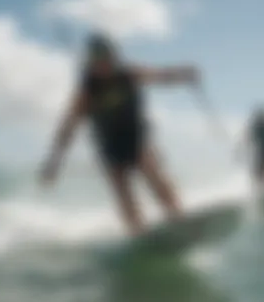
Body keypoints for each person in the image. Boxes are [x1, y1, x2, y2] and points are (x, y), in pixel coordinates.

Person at [39, 33, 200, 235]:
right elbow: (68, 128)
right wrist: (53, 164)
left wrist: (184, 74)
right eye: (98, 61)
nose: (104, 65)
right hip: (109, 145)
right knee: (123, 192)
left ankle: (178, 218)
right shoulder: (87, 91)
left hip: (136, 138)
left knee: (155, 175)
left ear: (115, 57)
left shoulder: (129, 74)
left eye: (108, 58)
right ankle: (139, 233)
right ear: (91, 62)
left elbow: (161, 76)